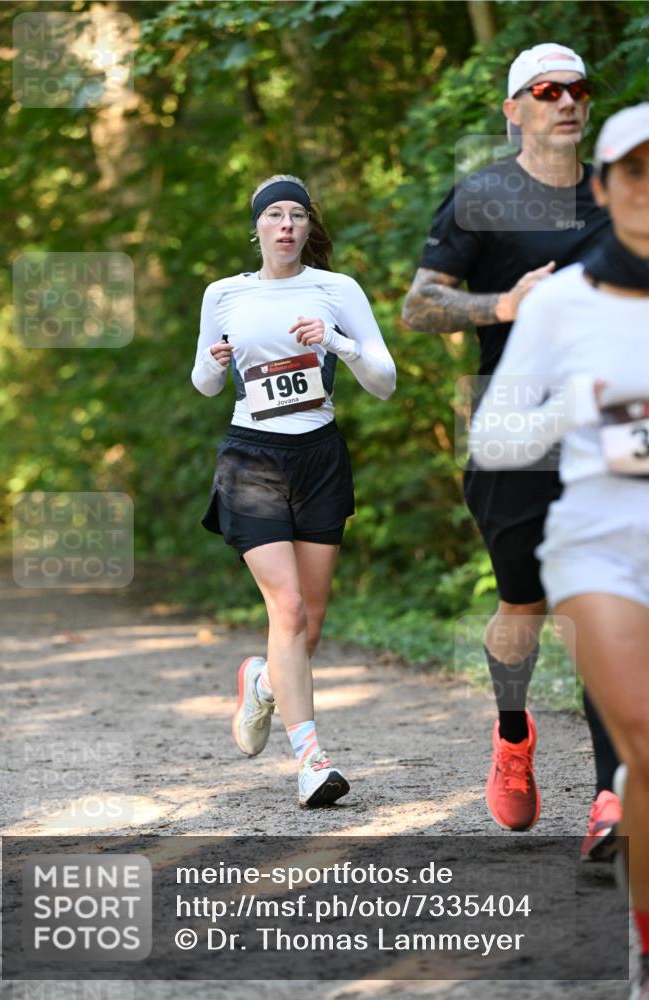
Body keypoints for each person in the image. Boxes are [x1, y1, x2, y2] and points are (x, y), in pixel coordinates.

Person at [402, 42, 621, 853]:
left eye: (576, 88)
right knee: (523, 608)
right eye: (544, 89)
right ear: (513, 109)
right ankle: (512, 733)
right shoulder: (482, 197)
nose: (565, 100)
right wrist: (503, 306)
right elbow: (420, 308)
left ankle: (611, 797)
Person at [468, 102, 649, 1000]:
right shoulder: (564, 300)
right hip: (600, 547)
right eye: (635, 172)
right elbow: (497, 439)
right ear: (605, 187)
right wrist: (572, 409)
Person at [191, 174, 396, 807]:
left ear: (309, 227)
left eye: (297, 216)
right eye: (274, 215)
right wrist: (216, 363)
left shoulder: (337, 290)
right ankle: (311, 760)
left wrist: (335, 343)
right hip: (252, 457)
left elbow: (384, 380)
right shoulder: (224, 294)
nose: (286, 225)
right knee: (288, 611)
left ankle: (261, 680)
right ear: (255, 228)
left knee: (308, 628)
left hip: (319, 456)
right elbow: (202, 380)